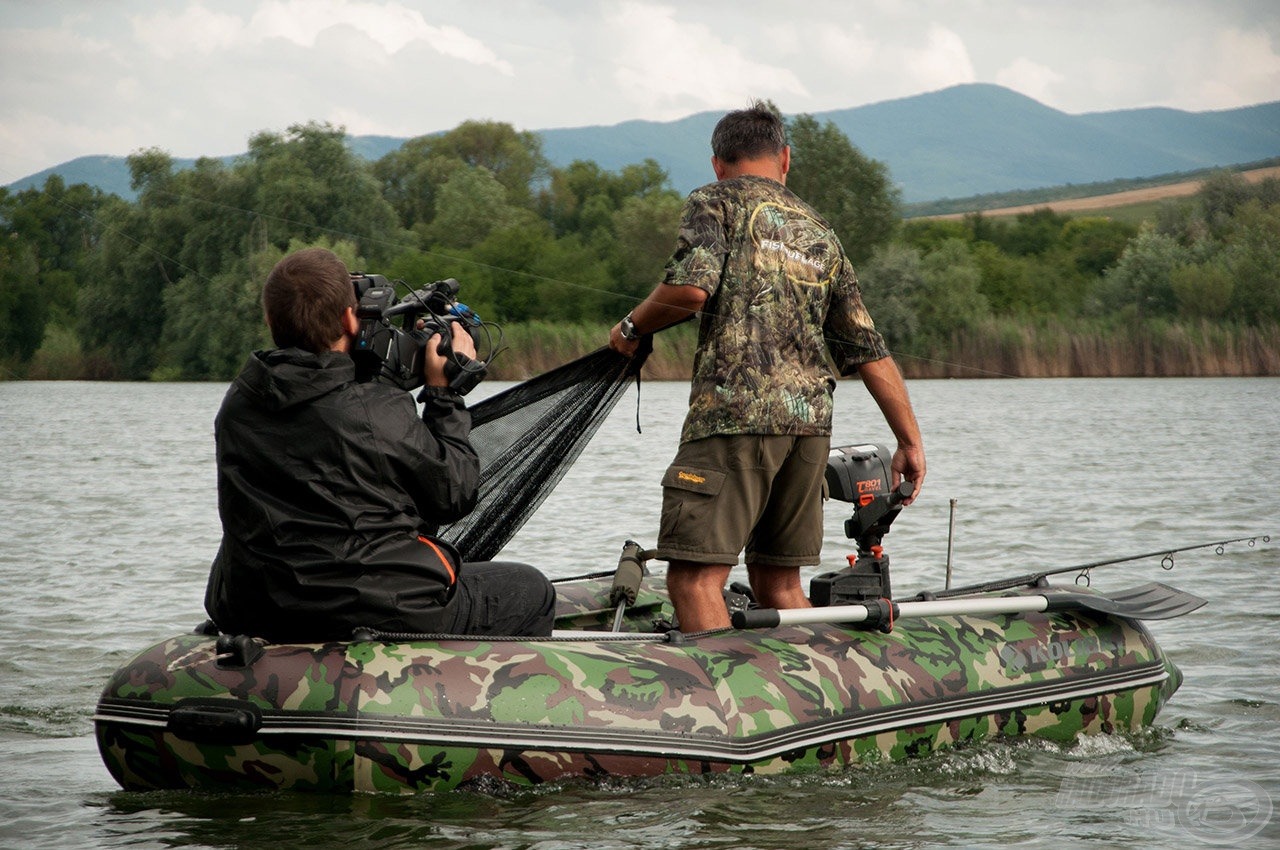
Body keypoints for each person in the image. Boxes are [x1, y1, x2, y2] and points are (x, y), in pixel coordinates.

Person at [609, 102, 926, 632]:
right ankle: (811, 700)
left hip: (734, 420)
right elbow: (868, 349)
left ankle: (718, 709)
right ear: (784, 159)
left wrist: (631, 328)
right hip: (808, 431)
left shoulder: (713, 201)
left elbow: (689, 290)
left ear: (718, 163)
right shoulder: (818, 231)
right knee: (779, 585)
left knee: (693, 580)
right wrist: (910, 442)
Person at [204, 247, 555, 641]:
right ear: (350, 319)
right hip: (372, 609)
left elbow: (326, 413)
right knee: (532, 590)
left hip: (253, 607)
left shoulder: (239, 402)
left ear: (270, 320)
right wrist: (444, 395)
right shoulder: (376, 410)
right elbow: (455, 493)